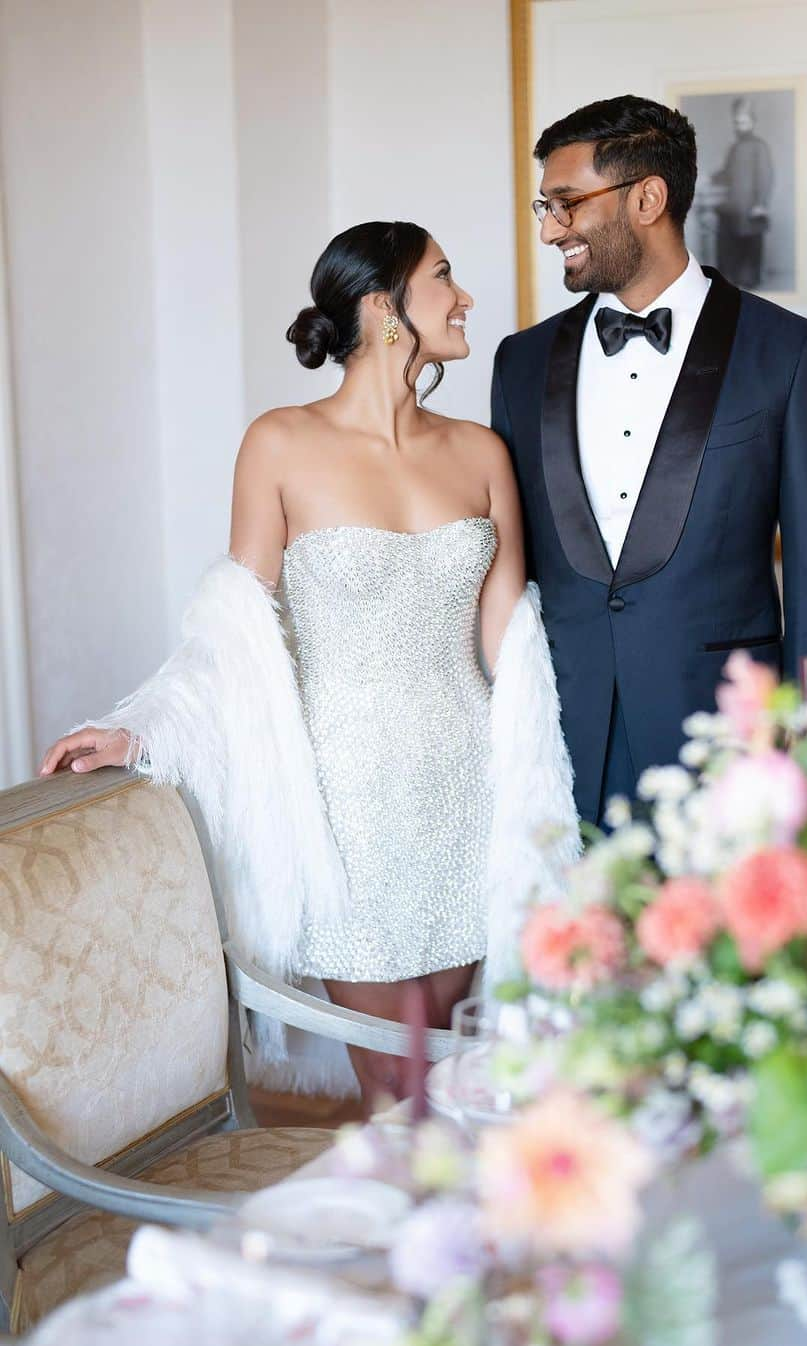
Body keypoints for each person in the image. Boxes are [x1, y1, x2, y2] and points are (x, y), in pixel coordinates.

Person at [40, 222, 578, 1112]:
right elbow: (236, 628)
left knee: (453, 1074)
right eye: (444, 277)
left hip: (467, 794)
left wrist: (563, 786)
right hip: (345, 809)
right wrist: (142, 729)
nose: (465, 296)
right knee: (396, 1080)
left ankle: (449, 1244)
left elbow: (515, 650)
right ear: (383, 307)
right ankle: (397, 1239)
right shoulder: (280, 444)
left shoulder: (482, 452)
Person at [491, 94, 807, 828]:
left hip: (727, 751)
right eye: (544, 206)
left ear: (648, 199)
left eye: (565, 203)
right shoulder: (519, 362)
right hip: (557, 749)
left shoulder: (788, 354)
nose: (549, 229)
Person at [713, 96, 774, 289]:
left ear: (752, 122)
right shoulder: (735, 147)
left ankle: (752, 281)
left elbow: (765, 176)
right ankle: (734, 282)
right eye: (737, 122)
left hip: (751, 206)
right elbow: (727, 173)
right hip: (734, 206)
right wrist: (711, 177)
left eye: (744, 122)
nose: (740, 126)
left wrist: (760, 204)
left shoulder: (759, 146)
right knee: (733, 244)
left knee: (752, 244)